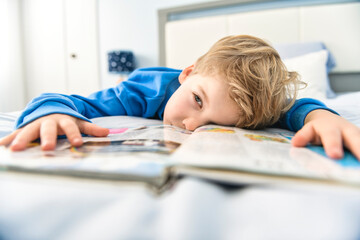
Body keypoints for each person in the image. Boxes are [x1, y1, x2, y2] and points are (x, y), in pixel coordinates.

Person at [0, 35, 359, 161]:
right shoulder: (146, 89)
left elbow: (294, 109)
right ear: (188, 73)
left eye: (216, 125)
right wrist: (48, 113)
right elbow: (73, 101)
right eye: (198, 101)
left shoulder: (252, 107)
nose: (190, 126)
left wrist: (322, 117)